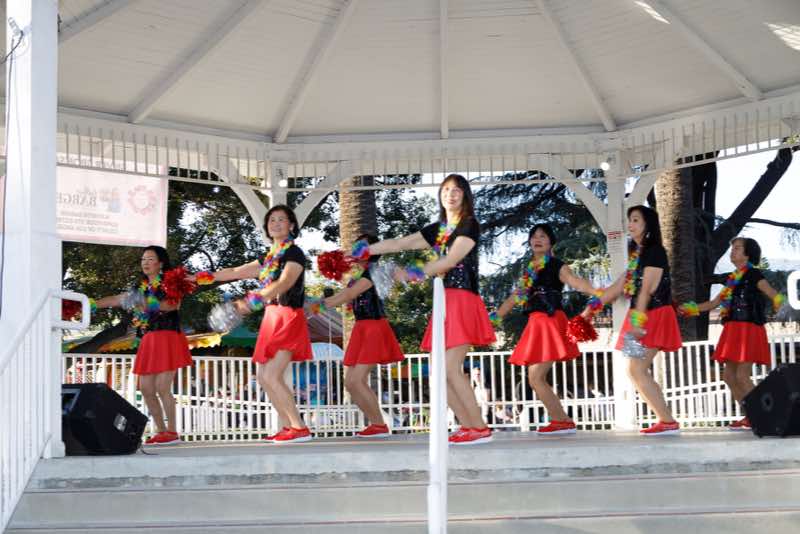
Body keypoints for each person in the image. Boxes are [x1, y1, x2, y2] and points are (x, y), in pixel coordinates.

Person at [366, 174, 496, 445]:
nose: (451, 194)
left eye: (457, 190)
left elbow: (451, 260)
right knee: (439, 371)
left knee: (450, 367)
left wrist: (410, 274)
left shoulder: (469, 224)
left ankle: (480, 428)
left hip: (463, 298)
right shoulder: (440, 229)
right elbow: (400, 243)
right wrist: (364, 251)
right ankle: (469, 427)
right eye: (446, 189)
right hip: (445, 298)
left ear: (465, 195)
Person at [194, 205, 313, 444]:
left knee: (272, 375)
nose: (275, 223)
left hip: (287, 316)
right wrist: (198, 277)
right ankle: (288, 426)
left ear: (291, 225)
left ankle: (299, 428)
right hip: (271, 317)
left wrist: (252, 301)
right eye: (271, 220)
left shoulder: (294, 253)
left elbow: (285, 282)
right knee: (264, 377)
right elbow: (235, 271)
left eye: (281, 219)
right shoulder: (268, 259)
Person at [496, 223, 603, 435]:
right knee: (534, 378)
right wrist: (494, 318)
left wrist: (597, 292)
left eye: (543, 236)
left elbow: (574, 281)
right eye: (534, 236)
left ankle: (562, 421)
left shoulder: (556, 265)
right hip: (537, 322)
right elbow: (516, 296)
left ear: (551, 242)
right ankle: (562, 420)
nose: (537, 239)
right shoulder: (530, 269)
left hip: (549, 321)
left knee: (535, 377)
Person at [678, 237, 784, 430]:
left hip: (748, 329)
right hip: (733, 330)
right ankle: (751, 416)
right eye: (732, 248)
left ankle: (767, 415)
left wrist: (778, 307)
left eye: (737, 248)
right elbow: (713, 304)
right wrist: (689, 308)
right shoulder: (732, 279)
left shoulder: (753, 274)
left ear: (747, 254)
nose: (732, 251)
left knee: (742, 376)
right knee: (728, 376)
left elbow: (773, 294)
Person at [595, 205, 683, 435]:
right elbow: (617, 287)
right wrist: (589, 310)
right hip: (642, 315)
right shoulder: (638, 254)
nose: (630, 224)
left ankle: (668, 421)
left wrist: (636, 322)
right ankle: (666, 420)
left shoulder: (655, 251)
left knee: (637, 369)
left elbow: (647, 289)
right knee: (635, 370)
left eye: (635, 220)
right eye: (629, 220)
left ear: (647, 224)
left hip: (652, 315)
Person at [93, 246, 192, 445]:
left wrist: (145, 303)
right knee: (146, 388)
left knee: (162, 387)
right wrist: (91, 304)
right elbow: (117, 299)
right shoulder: (140, 287)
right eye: (143, 259)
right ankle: (161, 431)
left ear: (160, 263)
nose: (145, 262)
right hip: (149, 338)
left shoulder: (170, 281)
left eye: (150, 259)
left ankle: (172, 432)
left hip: (167, 336)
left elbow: (172, 305)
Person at [323, 233, 405, 438]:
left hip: (373, 327)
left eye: (363, 246)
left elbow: (348, 295)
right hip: (361, 327)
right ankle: (377, 424)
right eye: (357, 246)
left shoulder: (372, 273)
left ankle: (380, 425)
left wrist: (317, 306)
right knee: (350, 382)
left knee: (357, 379)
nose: (358, 249)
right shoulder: (359, 274)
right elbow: (347, 293)